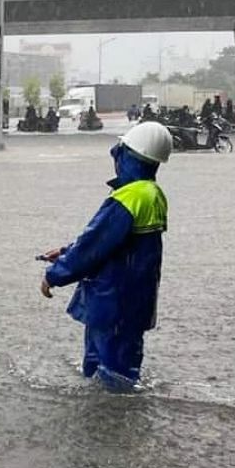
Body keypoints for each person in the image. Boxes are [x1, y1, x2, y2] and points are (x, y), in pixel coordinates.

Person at [39, 121, 173, 391]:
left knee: (109, 374)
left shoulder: (128, 197)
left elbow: (93, 245)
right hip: (135, 302)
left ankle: (110, 423)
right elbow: (116, 242)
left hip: (112, 300)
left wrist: (54, 274)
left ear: (127, 155)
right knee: (122, 368)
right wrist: (65, 250)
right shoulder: (153, 194)